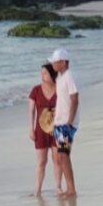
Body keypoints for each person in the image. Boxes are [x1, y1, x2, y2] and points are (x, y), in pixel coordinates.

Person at [49, 49, 79, 197]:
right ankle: (69, 188)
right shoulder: (60, 78)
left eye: (55, 61)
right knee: (60, 156)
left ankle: (71, 188)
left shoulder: (68, 76)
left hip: (67, 123)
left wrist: (69, 121)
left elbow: (74, 99)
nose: (53, 64)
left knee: (64, 155)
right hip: (59, 122)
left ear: (62, 62)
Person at [28, 63, 59, 197]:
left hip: (57, 129)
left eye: (45, 73)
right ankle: (37, 190)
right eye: (41, 72)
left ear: (52, 75)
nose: (42, 75)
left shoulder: (60, 89)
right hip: (40, 130)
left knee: (57, 159)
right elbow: (31, 112)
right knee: (41, 162)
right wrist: (31, 128)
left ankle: (58, 187)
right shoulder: (36, 90)